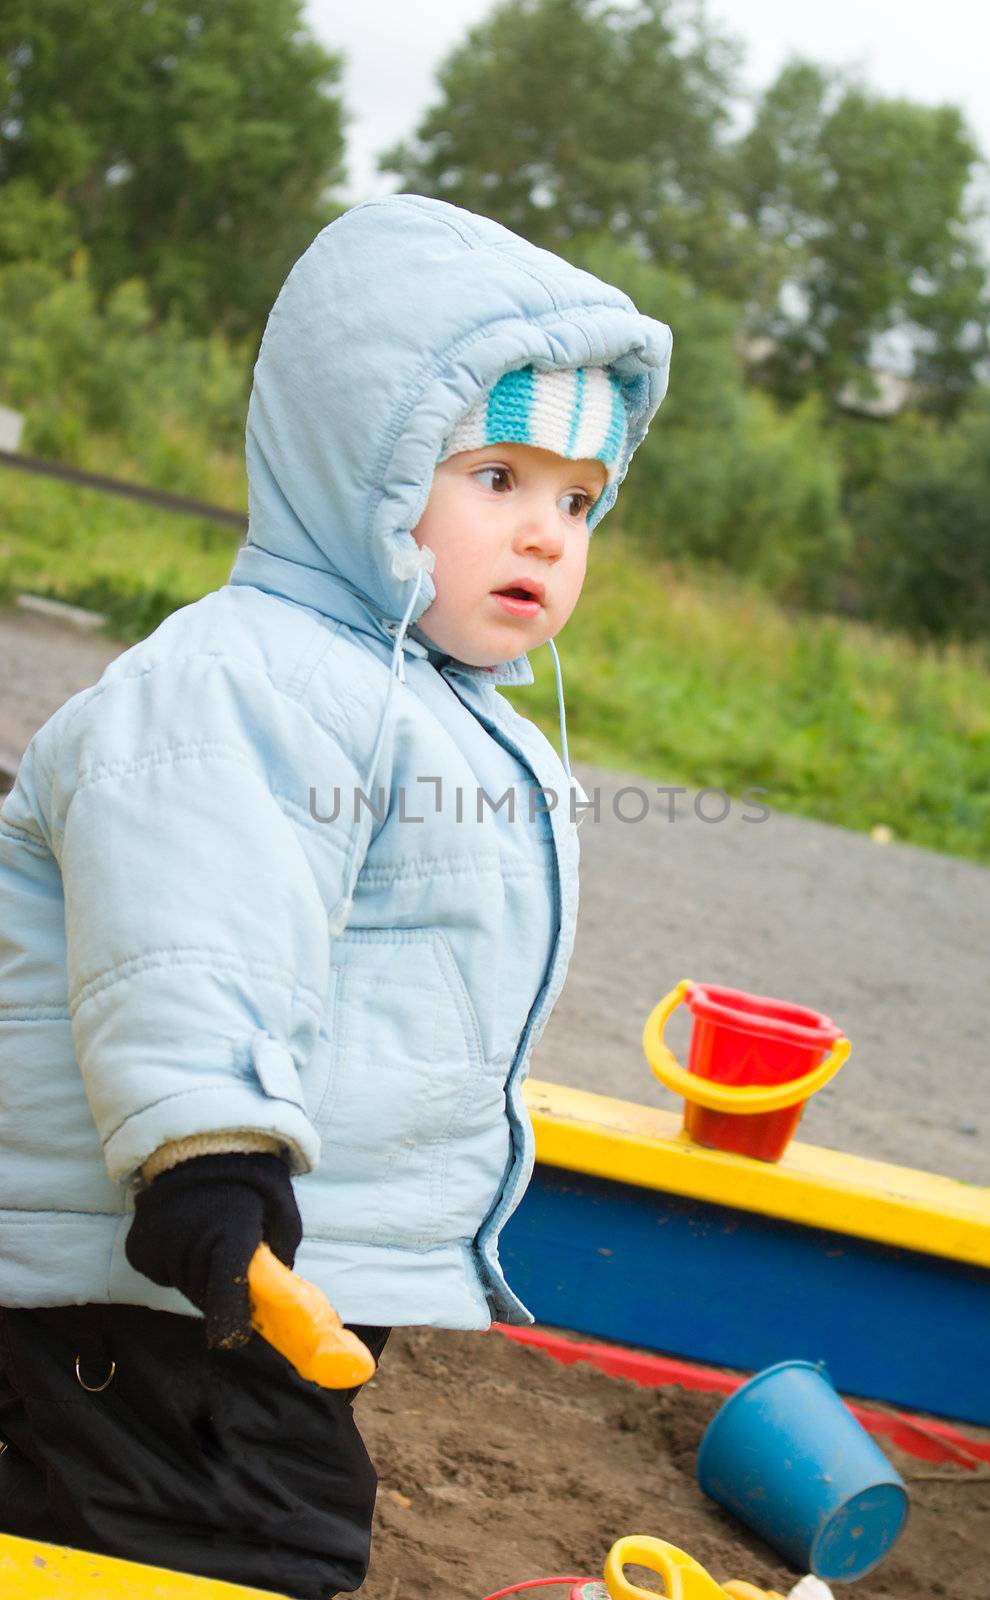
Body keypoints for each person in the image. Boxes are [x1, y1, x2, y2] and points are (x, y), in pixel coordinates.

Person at [0, 193, 672, 1597]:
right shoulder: (244, 682)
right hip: (142, 1257)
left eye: (579, 500)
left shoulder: (423, 705)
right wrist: (211, 1161)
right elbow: (192, 938)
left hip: (230, 1277)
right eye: (495, 476)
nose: (546, 536)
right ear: (354, 461)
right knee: (246, 1540)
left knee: (246, 1508)